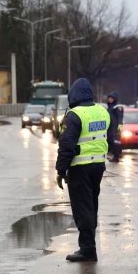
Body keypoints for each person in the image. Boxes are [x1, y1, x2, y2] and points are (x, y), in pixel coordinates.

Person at [56, 78, 112, 262]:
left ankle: (88, 249)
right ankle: (88, 245)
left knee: (83, 209)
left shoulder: (74, 115)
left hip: (80, 168)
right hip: (98, 166)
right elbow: (108, 139)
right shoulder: (102, 112)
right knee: (91, 206)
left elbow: (66, 145)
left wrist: (61, 170)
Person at [106, 91, 123, 162]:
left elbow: (120, 117)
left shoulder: (117, 106)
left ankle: (116, 156)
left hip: (115, 127)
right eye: (109, 98)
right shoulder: (110, 106)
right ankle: (114, 155)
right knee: (112, 141)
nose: (110, 99)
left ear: (115, 99)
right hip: (110, 126)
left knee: (115, 142)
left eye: (111, 98)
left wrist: (119, 126)